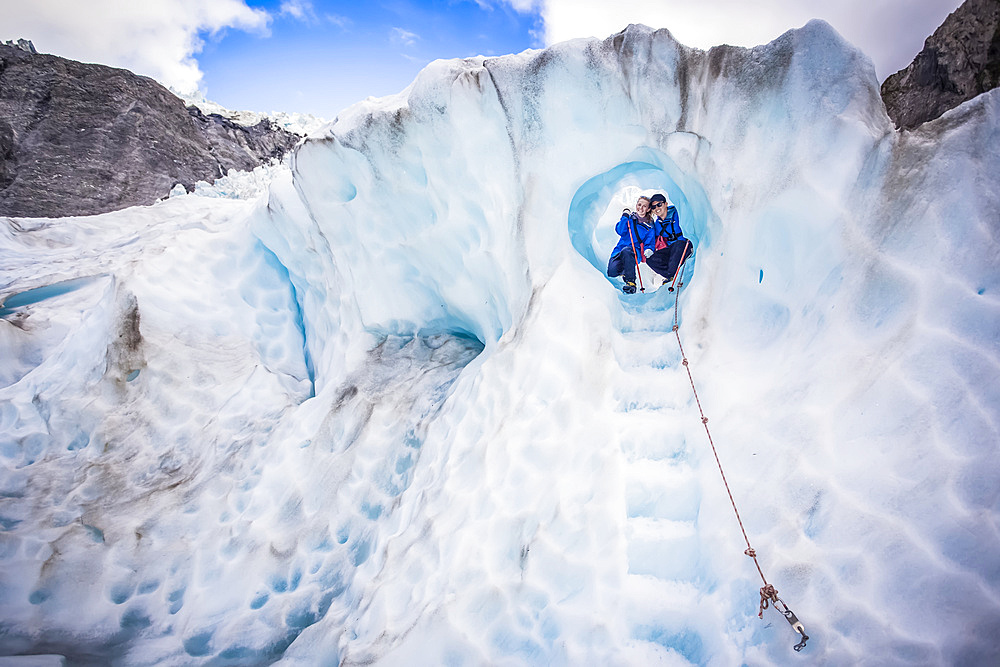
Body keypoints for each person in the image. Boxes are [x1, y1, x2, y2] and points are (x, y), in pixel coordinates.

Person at [608, 196, 655, 293]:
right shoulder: (629, 219)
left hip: (634, 252)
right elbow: (620, 230)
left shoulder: (649, 226)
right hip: (619, 251)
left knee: (627, 251)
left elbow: (649, 242)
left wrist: (649, 249)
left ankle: (631, 282)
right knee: (611, 272)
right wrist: (624, 216)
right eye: (639, 205)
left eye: (644, 206)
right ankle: (626, 271)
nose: (641, 208)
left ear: (648, 209)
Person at [646, 193, 691, 286]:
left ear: (665, 204)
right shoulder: (657, 224)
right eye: (653, 207)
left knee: (678, 244)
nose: (657, 208)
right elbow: (650, 238)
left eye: (659, 204)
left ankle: (672, 274)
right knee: (650, 260)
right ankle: (670, 275)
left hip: (685, 245)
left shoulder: (677, 213)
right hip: (672, 250)